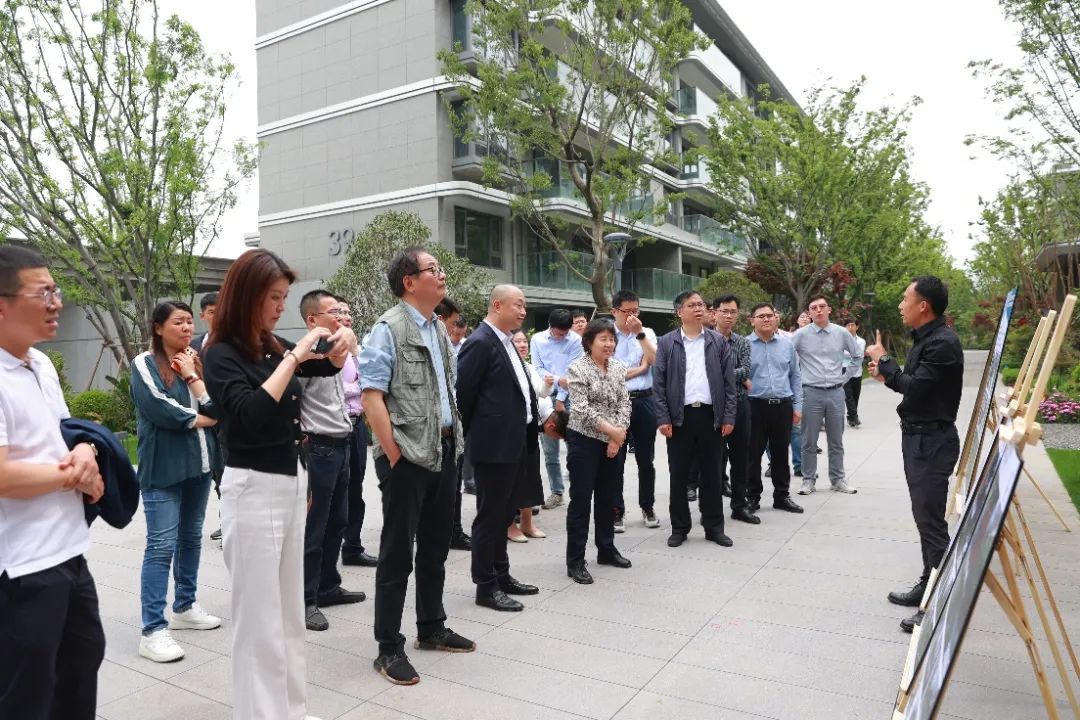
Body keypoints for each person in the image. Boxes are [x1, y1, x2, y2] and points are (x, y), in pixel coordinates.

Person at [203, 248, 353, 720]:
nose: (279, 306)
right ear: (247, 295)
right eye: (273, 297)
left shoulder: (268, 345)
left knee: (289, 610)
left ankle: (291, 709)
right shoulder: (221, 352)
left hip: (288, 477)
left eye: (284, 297)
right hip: (251, 486)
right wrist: (296, 354)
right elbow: (249, 412)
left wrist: (336, 345)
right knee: (258, 617)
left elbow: (320, 366)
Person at [358, 247, 475, 686]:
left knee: (435, 546)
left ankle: (432, 627)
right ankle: (388, 647)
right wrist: (393, 453)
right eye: (432, 269)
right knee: (396, 554)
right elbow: (371, 396)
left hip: (443, 450)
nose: (441, 275)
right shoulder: (388, 329)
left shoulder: (438, 328)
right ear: (409, 281)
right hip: (407, 455)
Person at [0, 245, 105, 719]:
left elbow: (63, 434)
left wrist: (86, 451)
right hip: (21, 569)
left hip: (69, 553)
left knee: (80, 671)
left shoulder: (41, 365)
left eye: (56, 290)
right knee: (28, 696)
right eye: (43, 293)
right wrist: (73, 476)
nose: (56, 302)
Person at [867, 276, 963, 633]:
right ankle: (928, 583)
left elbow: (915, 387)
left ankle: (940, 603)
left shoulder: (943, 343)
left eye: (905, 298)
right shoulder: (927, 338)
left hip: (932, 443)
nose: (900, 305)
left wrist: (884, 359)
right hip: (920, 439)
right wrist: (888, 375)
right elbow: (913, 385)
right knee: (924, 518)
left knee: (932, 523)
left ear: (924, 305)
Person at [130, 301, 222, 663]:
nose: (186, 328)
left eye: (188, 322)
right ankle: (153, 629)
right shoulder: (144, 363)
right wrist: (201, 419)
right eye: (178, 322)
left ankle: (185, 607)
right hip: (163, 468)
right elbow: (158, 407)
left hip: (200, 465)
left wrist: (191, 375)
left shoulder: (194, 360)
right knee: (160, 545)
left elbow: (216, 404)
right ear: (158, 327)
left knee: (191, 538)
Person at [457, 286, 543, 610]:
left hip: (516, 441)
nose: (523, 311)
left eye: (524, 305)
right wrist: (478, 436)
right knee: (490, 517)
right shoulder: (479, 342)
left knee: (505, 513)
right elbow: (464, 396)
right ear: (497, 305)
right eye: (518, 305)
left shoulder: (506, 341)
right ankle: (486, 586)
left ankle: (502, 575)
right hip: (493, 446)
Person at [297, 290, 366, 632]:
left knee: (338, 519)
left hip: (343, 443)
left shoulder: (338, 350)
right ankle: (305, 599)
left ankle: (327, 586)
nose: (341, 316)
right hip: (319, 447)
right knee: (315, 526)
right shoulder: (307, 354)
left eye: (341, 311)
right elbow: (292, 399)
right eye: (333, 312)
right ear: (312, 320)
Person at [654, 290, 737, 548]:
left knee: (712, 475)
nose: (699, 308)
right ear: (679, 311)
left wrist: (728, 415)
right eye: (692, 305)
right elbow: (659, 384)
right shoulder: (667, 342)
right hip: (680, 418)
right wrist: (663, 417)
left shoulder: (717, 341)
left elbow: (729, 383)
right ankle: (679, 528)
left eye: (701, 304)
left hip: (711, 416)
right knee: (679, 475)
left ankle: (714, 527)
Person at [564, 318, 633, 583]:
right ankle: (575, 560)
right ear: (589, 342)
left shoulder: (618, 367)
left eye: (612, 339)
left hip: (613, 439)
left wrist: (617, 435)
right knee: (581, 500)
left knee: (608, 497)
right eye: (603, 339)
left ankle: (606, 548)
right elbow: (581, 408)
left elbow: (624, 403)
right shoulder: (578, 368)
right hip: (584, 439)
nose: (609, 344)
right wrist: (611, 431)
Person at [792, 295, 861, 496]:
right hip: (810, 392)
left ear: (829, 309)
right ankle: (808, 480)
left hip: (836, 392)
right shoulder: (800, 335)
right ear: (809, 313)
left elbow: (857, 355)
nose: (818, 310)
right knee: (808, 441)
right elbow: (788, 358)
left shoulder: (841, 333)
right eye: (814, 308)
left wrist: (845, 377)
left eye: (822, 306)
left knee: (836, 440)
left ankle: (838, 479)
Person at [746, 302, 805, 518]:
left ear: (775, 318)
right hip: (754, 406)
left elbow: (795, 376)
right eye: (761, 316)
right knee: (752, 455)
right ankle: (752, 497)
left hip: (782, 406)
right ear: (752, 321)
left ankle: (782, 495)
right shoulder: (744, 345)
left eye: (769, 315)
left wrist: (797, 406)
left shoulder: (787, 345)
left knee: (781, 454)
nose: (766, 319)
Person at [611, 289, 660, 530]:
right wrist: (640, 369)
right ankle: (616, 510)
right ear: (614, 311)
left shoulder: (646, 333)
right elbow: (610, 372)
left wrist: (640, 335)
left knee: (646, 459)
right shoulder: (606, 334)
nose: (632, 316)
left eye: (636, 311)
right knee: (616, 459)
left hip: (645, 400)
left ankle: (647, 506)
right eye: (627, 311)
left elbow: (656, 360)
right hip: (616, 402)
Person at [337, 299, 379, 569]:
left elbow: (371, 379)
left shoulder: (355, 350)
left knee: (356, 488)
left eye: (348, 312)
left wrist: (354, 352)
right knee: (336, 490)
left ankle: (352, 546)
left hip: (358, 424)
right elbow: (336, 390)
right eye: (340, 312)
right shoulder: (324, 349)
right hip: (336, 427)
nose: (346, 317)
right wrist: (357, 387)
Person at [531, 308, 583, 508]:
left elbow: (573, 371)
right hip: (545, 394)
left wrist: (561, 398)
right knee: (550, 449)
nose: (562, 337)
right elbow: (538, 368)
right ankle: (557, 492)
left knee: (575, 445)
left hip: (570, 396)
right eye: (559, 333)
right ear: (550, 327)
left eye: (565, 333)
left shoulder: (575, 340)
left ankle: (580, 489)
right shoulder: (537, 339)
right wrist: (555, 380)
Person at [713, 295, 757, 524]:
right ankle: (711, 510)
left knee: (741, 458)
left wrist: (721, 373)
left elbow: (746, 370)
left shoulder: (742, 343)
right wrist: (735, 374)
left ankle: (740, 506)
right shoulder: (705, 340)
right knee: (713, 459)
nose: (728, 316)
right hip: (713, 407)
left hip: (740, 404)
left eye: (733, 312)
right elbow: (704, 373)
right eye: (724, 311)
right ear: (714, 313)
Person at [436, 297, 472, 551]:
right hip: (430, 432)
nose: (455, 330)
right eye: (452, 323)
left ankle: (454, 531)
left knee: (453, 485)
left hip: (454, 424)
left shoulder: (452, 348)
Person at [510, 328, 550, 541]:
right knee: (511, 478)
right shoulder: (506, 366)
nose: (523, 345)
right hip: (510, 429)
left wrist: (548, 384)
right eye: (517, 341)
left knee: (530, 475)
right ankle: (509, 525)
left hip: (530, 427)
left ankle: (527, 523)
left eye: (524, 341)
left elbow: (541, 392)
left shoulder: (528, 367)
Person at [191, 291, 225, 541]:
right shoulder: (192, 346)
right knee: (213, 472)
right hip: (202, 418)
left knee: (227, 472)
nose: (217, 316)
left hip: (227, 418)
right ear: (203, 315)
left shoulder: (235, 344)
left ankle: (230, 522)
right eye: (212, 312)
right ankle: (226, 520)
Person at [843, 318, 867, 428]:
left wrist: (849, 354)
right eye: (848, 325)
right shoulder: (841, 340)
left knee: (855, 395)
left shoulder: (861, 341)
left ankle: (851, 417)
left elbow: (857, 354)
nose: (850, 327)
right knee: (848, 395)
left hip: (857, 371)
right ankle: (854, 416)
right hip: (844, 369)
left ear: (857, 327)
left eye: (852, 325)